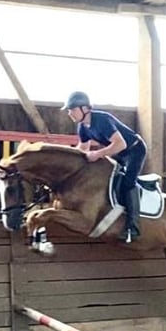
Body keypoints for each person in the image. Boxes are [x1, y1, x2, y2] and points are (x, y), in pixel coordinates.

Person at [61, 91, 146, 243]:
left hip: (134, 150)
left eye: (72, 109)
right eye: (69, 110)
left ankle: (133, 227)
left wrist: (98, 154)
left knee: (127, 183)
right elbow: (82, 149)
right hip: (119, 152)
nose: (70, 113)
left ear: (85, 109)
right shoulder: (83, 127)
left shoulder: (102, 120)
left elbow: (121, 144)